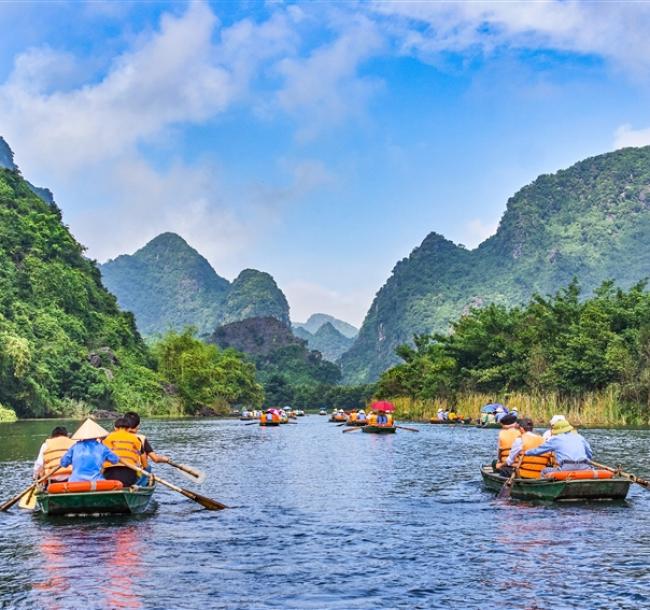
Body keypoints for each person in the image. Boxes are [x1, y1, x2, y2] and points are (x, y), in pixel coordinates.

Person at [524, 419, 593, 476]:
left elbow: (538, 450)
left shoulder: (556, 439)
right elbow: (589, 453)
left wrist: (526, 453)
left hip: (566, 468)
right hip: (584, 467)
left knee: (545, 470)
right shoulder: (580, 437)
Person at [103, 417, 145, 487]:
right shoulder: (136, 439)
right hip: (129, 472)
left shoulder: (108, 438)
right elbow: (139, 456)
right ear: (129, 429)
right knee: (144, 475)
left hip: (110, 473)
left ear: (115, 428)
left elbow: (103, 455)